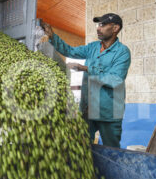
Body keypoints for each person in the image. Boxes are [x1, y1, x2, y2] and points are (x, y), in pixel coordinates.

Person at [41, 13, 131, 148]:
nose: (98, 28)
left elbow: (115, 79)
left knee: (111, 149)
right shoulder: (92, 47)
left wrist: (87, 68)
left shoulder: (122, 52)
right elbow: (70, 50)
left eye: (102, 25)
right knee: (81, 146)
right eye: (97, 25)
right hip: (87, 108)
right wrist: (52, 36)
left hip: (109, 112)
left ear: (115, 28)